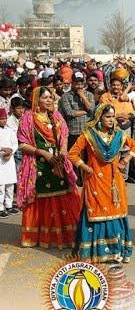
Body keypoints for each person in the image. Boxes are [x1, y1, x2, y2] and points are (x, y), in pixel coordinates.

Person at [68, 104, 135, 263]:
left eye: (113, 116)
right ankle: (94, 254)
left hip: (114, 182)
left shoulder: (119, 135)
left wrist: (125, 160)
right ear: (99, 118)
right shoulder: (89, 135)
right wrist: (84, 166)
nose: (111, 120)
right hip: (95, 180)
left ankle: (116, 252)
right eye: (108, 117)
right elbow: (72, 154)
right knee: (96, 212)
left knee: (115, 212)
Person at [16, 87, 82, 249]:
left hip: (58, 163)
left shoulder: (57, 116)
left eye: (50, 97)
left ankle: (64, 236)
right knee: (41, 197)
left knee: (63, 194)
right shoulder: (28, 119)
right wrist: (43, 153)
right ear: (36, 100)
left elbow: (64, 135)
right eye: (45, 98)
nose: (49, 100)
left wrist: (64, 150)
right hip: (38, 166)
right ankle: (39, 236)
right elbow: (22, 144)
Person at [0, 108, 19, 218]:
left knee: (10, 185)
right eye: (2, 119)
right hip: (0, 160)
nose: (4, 121)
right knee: (1, 186)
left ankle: (8, 205)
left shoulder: (10, 130)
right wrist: (3, 149)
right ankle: (0, 207)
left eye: (5, 118)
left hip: (9, 160)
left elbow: (15, 143)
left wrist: (11, 151)